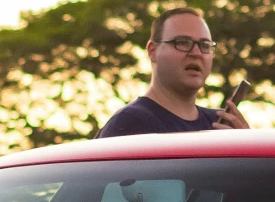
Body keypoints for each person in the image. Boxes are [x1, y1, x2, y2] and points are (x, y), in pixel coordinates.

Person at [96, 9, 252, 138]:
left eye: (205, 45)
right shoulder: (131, 124)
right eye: (183, 42)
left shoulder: (220, 125)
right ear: (153, 51)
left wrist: (248, 151)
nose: (196, 53)